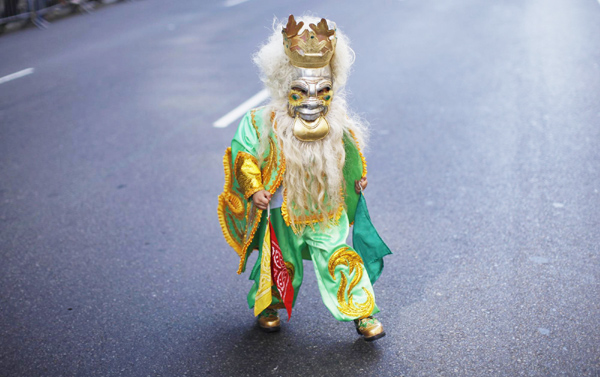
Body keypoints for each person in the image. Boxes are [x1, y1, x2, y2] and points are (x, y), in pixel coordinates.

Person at [217, 15, 391, 341]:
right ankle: (268, 305)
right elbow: (244, 156)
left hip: (325, 206)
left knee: (339, 256)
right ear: (285, 84)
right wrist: (254, 188)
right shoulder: (262, 121)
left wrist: (358, 180)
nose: (313, 99)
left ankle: (362, 313)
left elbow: (351, 155)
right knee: (282, 264)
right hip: (283, 210)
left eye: (323, 90)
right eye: (301, 90)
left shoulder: (338, 119)